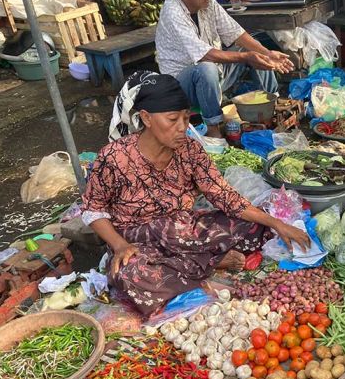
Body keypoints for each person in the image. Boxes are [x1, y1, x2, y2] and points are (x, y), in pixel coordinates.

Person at [82, 72, 309, 315]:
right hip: (136, 240)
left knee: (254, 227)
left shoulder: (190, 150)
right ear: (146, 118)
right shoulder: (115, 157)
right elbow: (92, 210)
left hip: (181, 231)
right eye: (172, 120)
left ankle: (195, 263)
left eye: (185, 118)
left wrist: (276, 223)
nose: (182, 128)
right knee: (130, 275)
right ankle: (211, 261)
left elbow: (224, 196)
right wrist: (119, 246)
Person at [155, 0, 294, 137]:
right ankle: (213, 128)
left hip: (215, 77)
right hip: (184, 88)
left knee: (254, 50)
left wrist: (268, 54)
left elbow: (235, 33)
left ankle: (271, 106)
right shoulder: (173, 12)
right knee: (207, 67)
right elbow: (205, 54)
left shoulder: (208, 3)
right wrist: (247, 57)